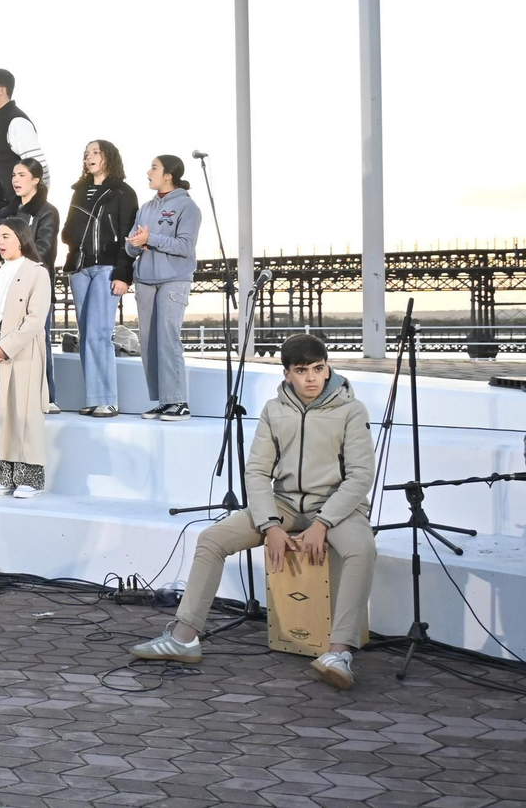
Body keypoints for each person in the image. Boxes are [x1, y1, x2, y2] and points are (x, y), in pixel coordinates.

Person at [130, 334, 376, 690]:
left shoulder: (352, 410)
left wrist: (323, 523)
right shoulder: (274, 410)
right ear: (287, 373)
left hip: (337, 507)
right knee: (212, 538)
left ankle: (338, 653)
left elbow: (360, 476)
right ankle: (184, 638)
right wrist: (270, 526)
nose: (312, 378)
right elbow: (258, 472)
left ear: (328, 367)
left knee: (362, 549)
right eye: (302, 370)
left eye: (319, 369)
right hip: (284, 504)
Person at [0, 218, 52, 497]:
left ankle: (30, 477)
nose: (0, 242)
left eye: (6, 236)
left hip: (20, 350)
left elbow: (35, 318)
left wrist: (6, 347)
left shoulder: (37, 272)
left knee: (23, 412)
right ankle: (6, 474)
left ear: (21, 238)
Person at [61, 140, 139, 419]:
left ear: (108, 157)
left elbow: (128, 237)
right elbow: (70, 229)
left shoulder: (123, 192)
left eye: (95, 152)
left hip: (107, 267)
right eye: (86, 153)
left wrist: (123, 275)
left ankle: (108, 399)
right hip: (80, 267)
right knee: (86, 335)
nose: (89, 157)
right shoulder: (79, 191)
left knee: (99, 333)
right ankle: (94, 398)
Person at [125, 155, 203, 422]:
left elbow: (184, 246)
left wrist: (151, 239)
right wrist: (135, 243)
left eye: (154, 168)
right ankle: (164, 400)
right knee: (149, 343)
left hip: (173, 279)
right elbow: (130, 246)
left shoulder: (188, 207)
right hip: (145, 279)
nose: (149, 172)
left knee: (168, 339)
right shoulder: (145, 207)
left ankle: (179, 401)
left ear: (169, 174)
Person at [0, 158, 62, 409]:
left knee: (39, 341)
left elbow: (44, 250)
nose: (15, 180)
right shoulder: (6, 213)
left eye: (21, 175)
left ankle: (48, 396)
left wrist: (17, 264)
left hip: (34, 287)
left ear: (36, 179)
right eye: (13, 174)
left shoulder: (47, 211)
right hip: (4, 287)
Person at [0, 68, 46, 214]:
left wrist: (32, 208)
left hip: (11, 210)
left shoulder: (16, 121)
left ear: (2, 90)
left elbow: (39, 167)